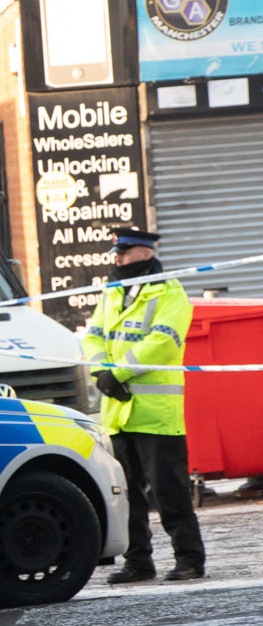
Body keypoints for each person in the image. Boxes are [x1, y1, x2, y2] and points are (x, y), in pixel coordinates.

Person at [81, 226, 205, 582]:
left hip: (154, 414)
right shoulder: (112, 292)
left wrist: (117, 374)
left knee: (169, 492)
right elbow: (93, 336)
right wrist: (101, 373)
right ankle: (138, 563)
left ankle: (190, 560)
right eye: (115, 252)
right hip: (118, 412)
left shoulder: (170, 292)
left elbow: (162, 342)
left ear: (146, 254)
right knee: (126, 495)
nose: (117, 258)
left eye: (124, 251)